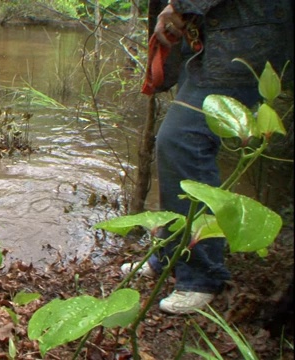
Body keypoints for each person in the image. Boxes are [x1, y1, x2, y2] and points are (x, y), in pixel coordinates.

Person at [122, 0, 293, 314]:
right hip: (207, 38)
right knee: (177, 144)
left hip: (245, 36)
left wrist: (180, 5)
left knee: (182, 140)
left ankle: (201, 276)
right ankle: (173, 254)